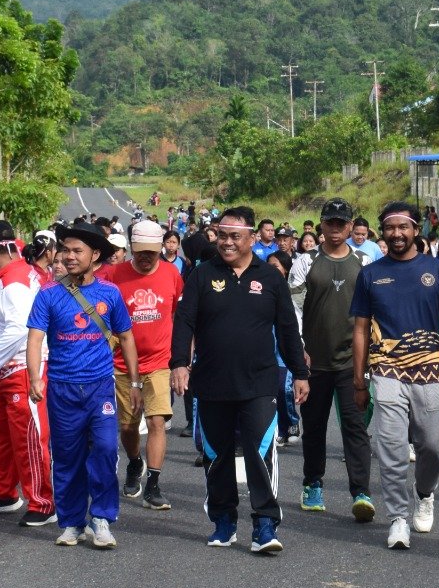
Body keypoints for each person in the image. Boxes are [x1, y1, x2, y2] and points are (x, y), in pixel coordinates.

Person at [172, 207, 308, 554]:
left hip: (260, 383)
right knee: (216, 456)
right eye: (222, 235)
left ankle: (264, 525)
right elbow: (184, 322)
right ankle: (223, 521)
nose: (227, 242)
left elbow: (287, 329)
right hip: (212, 383)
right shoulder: (202, 276)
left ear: (251, 238)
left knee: (260, 452)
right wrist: (179, 364)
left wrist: (300, 373)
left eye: (235, 236)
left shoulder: (271, 277)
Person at [350, 201, 439, 551]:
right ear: (381, 232)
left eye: (404, 227)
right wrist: (359, 381)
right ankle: (398, 517)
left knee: (432, 445)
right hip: (385, 371)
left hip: (429, 370)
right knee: (389, 446)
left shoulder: (437, 271)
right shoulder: (371, 274)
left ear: (417, 230)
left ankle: (424, 493)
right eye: (390, 228)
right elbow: (359, 330)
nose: (397, 234)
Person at [27, 219, 138, 549]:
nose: (69, 256)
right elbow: (34, 339)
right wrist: (36, 377)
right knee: (66, 457)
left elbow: (127, 337)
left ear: (95, 257)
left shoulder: (110, 293)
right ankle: (72, 522)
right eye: (65, 250)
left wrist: (133, 382)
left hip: (100, 387)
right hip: (61, 388)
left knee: (104, 450)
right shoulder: (48, 295)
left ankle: (102, 518)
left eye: (78, 250)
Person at [0, 220, 53, 526]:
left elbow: (19, 329)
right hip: (8, 370)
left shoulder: (15, 280)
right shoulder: (15, 274)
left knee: (29, 439)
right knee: (5, 438)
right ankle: (4, 492)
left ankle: (43, 502)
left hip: (20, 368)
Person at [296, 198, 376, 520]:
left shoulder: (365, 261)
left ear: (350, 226)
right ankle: (312, 483)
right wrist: (298, 347)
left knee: (355, 427)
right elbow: (295, 308)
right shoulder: (306, 261)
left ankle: (361, 492)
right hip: (315, 361)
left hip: (352, 361)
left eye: (341, 224)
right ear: (321, 224)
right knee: (313, 426)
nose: (335, 229)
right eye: (330, 223)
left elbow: (374, 311)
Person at [109, 220, 183, 511]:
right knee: (127, 427)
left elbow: (177, 313)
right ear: (131, 247)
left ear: (161, 247)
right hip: (123, 364)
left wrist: (181, 358)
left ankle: (153, 484)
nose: (145, 257)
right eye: (140, 252)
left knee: (156, 421)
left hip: (159, 361)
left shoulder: (172, 273)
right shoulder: (116, 275)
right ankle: (135, 461)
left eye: (151, 253)